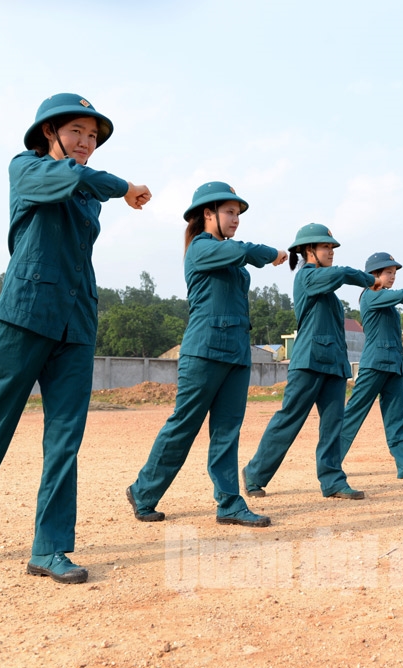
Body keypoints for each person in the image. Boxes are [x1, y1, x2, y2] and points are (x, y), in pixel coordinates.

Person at [0, 93, 152, 584]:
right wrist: (126, 186)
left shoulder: (89, 191)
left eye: (93, 137)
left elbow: (83, 188)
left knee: (65, 438)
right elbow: (74, 177)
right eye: (77, 132)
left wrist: (112, 188)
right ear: (49, 132)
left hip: (76, 323)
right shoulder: (26, 169)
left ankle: (49, 549)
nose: (86, 144)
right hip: (24, 316)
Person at [126, 182, 287, 528]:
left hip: (236, 353)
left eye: (237, 213)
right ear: (208, 214)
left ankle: (229, 503)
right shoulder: (201, 248)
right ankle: (143, 491)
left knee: (228, 430)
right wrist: (273, 253)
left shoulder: (229, 254)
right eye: (229, 212)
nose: (235, 219)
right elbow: (248, 251)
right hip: (204, 351)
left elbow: (242, 256)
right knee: (184, 425)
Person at [242, 224, 381, 499]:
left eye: (331, 247)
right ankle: (255, 473)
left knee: (333, 424)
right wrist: (369, 279)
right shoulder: (307, 276)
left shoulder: (325, 282)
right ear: (309, 251)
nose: (331, 252)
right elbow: (341, 273)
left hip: (334, 363)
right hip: (309, 361)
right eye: (325, 247)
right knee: (289, 419)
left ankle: (332, 481)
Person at [339, 253, 403, 480]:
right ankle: (330, 464)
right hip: (375, 364)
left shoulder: (384, 298)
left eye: (394, 273)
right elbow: (401, 295)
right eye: (387, 272)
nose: (392, 277)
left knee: (396, 418)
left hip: (392, 364)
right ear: (374, 275)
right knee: (353, 414)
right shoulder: (371, 295)